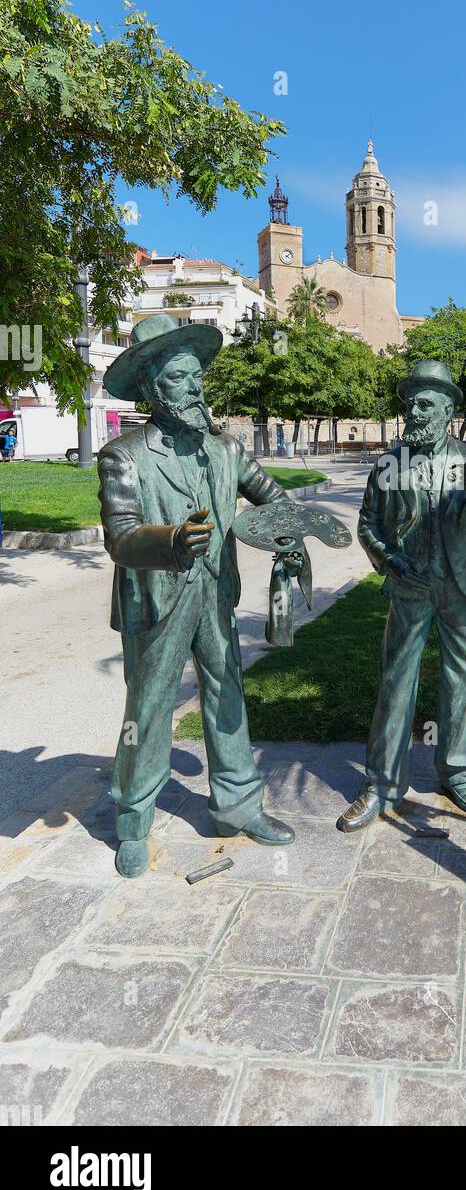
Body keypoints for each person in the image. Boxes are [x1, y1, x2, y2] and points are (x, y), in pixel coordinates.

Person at [98, 314, 301, 877]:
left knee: (227, 694)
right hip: (158, 598)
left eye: (198, 377)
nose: (196, 388)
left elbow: (273, 500)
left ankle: (238, 806)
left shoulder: (226, 450)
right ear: (150, 388)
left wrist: (291, 533)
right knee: (150, 706)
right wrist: (170, 540)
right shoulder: (124, 455)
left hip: (215, 596)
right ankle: (134, 819)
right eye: (180, 379)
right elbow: (120, 536)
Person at [337, 360, 466, 831]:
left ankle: (459, 773)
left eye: (425, 403)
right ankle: (383, 784)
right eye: (411, 403)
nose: (414, 411)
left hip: (463, 590)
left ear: (447, 411)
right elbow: (369, 525)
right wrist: (389, 560)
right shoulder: (389, 464)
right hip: (410, 587)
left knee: (461, 682)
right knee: (396, 681)